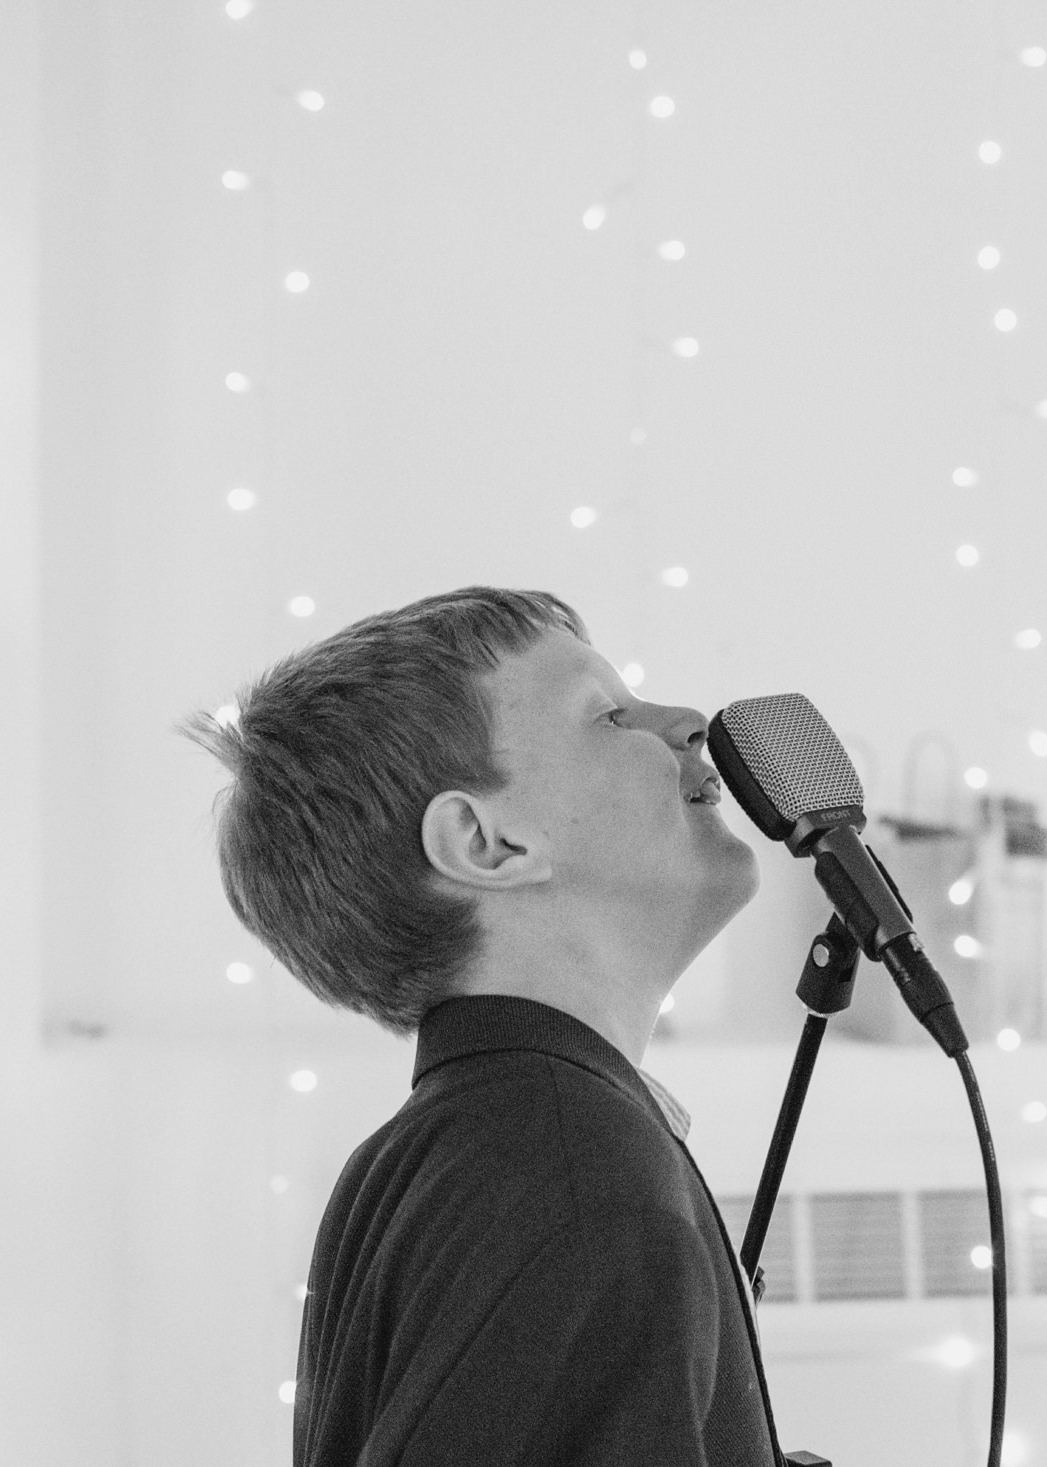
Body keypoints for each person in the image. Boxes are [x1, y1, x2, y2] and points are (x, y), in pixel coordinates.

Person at [181, 586, 780, 1466]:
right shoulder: (583, 1183)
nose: (690, 724)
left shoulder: (444, 1155)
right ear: (486, 843)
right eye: (610, 716)